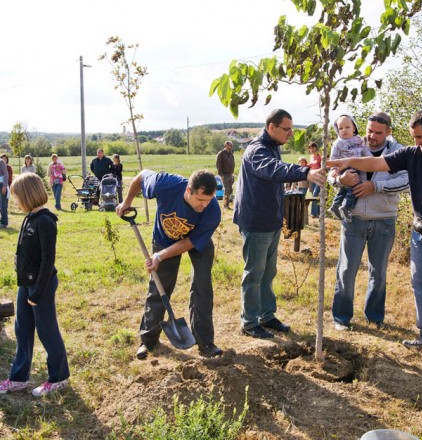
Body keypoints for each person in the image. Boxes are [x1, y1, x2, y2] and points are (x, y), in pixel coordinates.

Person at [327, 110, 422, 376]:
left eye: (421, 137)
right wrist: (336, 166)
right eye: (414, 137)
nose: (418, 142)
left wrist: (375, 188)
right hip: (418, 230)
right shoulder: (411, 154)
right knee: (421, 285)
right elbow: (373, 165)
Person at [234, 109, 326, 339]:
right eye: (286, 129)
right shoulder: (256, 151)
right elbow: (274, 169)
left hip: (271, 220)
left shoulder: (272, 147)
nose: (290, 134)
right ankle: (249, 321)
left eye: (292, 129)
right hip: (256, 221)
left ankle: (266, 315)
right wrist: (306, 171)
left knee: (268, 272)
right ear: (271, 127)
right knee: (254, 272)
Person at [116, 169, 223, 359]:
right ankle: (148, 340)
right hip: (165, 238)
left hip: (198, 241)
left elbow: (190, 242)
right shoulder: (165, 184)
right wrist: (127, 202)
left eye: (209, 200)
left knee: (202, 288)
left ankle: (205, 341)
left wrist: (160, 256)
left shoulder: (212, 210)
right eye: (200, 200)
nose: (205, 205)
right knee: (159, 287)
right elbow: (141, 177)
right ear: (188, 190)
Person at [328, 112, 409, 331]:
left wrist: (376, 187)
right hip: (353, 218)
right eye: (369, 130)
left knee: (379, 271)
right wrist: (339, 180)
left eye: (378, 132)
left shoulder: (398, 151)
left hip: (384, 220)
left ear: (388, 132)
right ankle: (341, 318)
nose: (371, 136)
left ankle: (374, 317)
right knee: (346, 269)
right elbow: (331, 170)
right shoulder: (352, 144)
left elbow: (405, 181)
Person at [0, 173, 69, 396]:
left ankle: (59, 377)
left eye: (17, 197)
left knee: (47, 330)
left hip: (42, 285)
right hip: (25, 284)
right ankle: (19, 378)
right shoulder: (29, 217)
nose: (15, 201)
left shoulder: (46, 221)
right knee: (22, 329)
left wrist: (38, 292)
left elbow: (48, 261)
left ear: (28, 196)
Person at [328, 115, 372, 222]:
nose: (344, 130)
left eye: (347, 127)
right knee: (354, 188)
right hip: (344, 169)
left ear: (354, 128)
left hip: (357, 166)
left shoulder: (359, 140)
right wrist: (334, 170)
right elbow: (333, 158)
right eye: (341, 128)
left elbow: (365, 151)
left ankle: (335, 205)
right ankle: (346, 207)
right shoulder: (338, 143)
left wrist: (371, 158)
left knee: (344, 189)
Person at [216, 141, 235, 209]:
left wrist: (232, 173)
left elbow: (232, 163)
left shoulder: (230, 154)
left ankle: (228, 203)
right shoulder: (221, 153)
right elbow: (218, 164)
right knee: (226, 190)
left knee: (230, 190)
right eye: (230, 145)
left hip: (230, 174)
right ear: (226, 145)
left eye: (231, 145)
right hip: (224, 174)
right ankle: (225, 205)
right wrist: (221, 174)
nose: (231, 147)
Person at [307, 142, 321, 218]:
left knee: (315, 194)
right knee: (314, 195)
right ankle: (318, 212)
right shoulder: (311, 157)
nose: (311, 149)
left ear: (316, 148)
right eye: (310, 148)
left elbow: (323, 167)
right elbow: (311, 165)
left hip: (318, 177)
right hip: (312, 177)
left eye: (312, 147)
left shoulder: (320, 156)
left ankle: (313, 213)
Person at [0, 156, 8, 228]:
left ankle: (4, 223)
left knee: (2, 205)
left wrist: (4, 186)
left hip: (1, 185)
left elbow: (6, 174)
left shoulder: (1, 161)